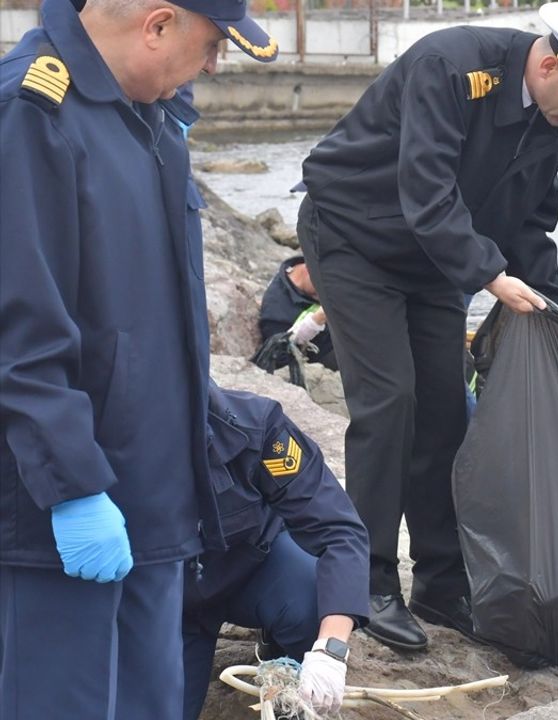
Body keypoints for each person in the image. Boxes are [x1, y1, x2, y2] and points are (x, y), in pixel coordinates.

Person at [295, 2, 558, 651]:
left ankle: (440, 579)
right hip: (355, 237)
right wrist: (491, 276)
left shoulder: (555, 116)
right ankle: (370, 581)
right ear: (548, 65)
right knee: (389, 401)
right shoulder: (452, 67)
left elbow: (528, 220)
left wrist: (549, 307)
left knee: (443, 411)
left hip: (435, 260)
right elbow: (426, 191)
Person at [0, 0, 276, 717]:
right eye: (213, 45)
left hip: (155, 502)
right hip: (61, 511)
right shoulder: (35, 114)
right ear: (156, 24)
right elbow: (20, 329)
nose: (215, 66)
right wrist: (72, 488)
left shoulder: (147, 113)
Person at [183, 385, 370, 720]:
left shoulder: (257, 426)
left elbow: (339, 530)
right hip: (167, 602)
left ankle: (287, 668)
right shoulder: (121, 438)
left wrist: (332, 649)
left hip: (253, 567)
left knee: (313, 601)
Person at [257, 256, 339, 370]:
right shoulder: (276, 311)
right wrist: (315, 321)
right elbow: (278, 360)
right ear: (309, 269)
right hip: (329, 353)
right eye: (325, 288)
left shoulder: (320, 258)